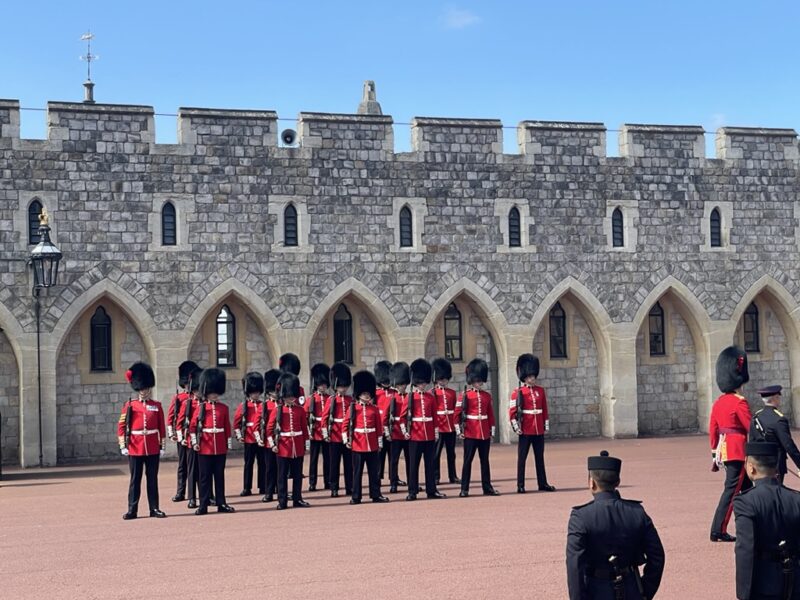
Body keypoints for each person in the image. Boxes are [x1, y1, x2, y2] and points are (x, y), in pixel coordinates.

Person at [566, 450, 665, 600]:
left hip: (595, 590)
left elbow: (574, 566)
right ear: (617, 482)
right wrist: (645, 590)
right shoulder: (637, 512)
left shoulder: (581, 517)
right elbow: (657, 556)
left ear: (591, 483)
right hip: (632, 587)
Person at [734, 441, 800, 600]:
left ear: (751, 467)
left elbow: (745, 549)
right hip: (795, 580)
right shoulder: (796, 498)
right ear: (776, 467)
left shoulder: (746, 501)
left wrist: (743, 592)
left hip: (763, 583)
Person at [709, 346, 753, 542]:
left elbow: (713, 430)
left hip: (725, 449)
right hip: (737, 450)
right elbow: (750, 426)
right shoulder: (739, 402)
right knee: (733, 491)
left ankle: (752, 525)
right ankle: (718, 529)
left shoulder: (719, 402)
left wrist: (714, 452)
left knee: (748, 490)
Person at [118, 362, 167, 520]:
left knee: (152, 479)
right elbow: (122, 426)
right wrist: (123, 445)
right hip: (135, 446)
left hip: (152, 446)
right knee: (135, 480)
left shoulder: (156, 406)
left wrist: (162, 445)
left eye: (146, 389)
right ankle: (132, 509)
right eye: (141, 389)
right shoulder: (130, 406)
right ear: (137, 389)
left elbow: (161, 427)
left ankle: (154, 508)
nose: (144, 392)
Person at [189, 368, 235, 515]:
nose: (214, 394)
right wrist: (195, 442)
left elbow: (227, 427)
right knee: (204, 478)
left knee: (219, 476)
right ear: (206, 391)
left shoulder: (224, 408)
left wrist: (228, 443)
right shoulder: (201, 408)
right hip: (205, 447)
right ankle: (203, 505)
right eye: (211, 392)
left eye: (216, 392)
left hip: (220, 446)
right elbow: (192, 427)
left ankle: (221, 503)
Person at [509, 353, 556, 493]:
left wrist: (545, 425)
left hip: (538, 429)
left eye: (533, 376)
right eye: (530, 377)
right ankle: (520, 485)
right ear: (524, 377)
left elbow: (544, 409)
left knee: (540, 458)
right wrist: (516, 427)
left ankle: (543, 483)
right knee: (522, 458)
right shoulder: (518, 392)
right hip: (525, 428)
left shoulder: (540, 391)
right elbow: (512, 412)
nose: (532, 379)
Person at [455, 358, 499, 497]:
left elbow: (491, 415)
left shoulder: (487, 396)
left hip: (484, 432)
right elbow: (456, 415)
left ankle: (487, 487)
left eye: (480, 380)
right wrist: (459, 431)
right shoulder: (464, 396)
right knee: (467, 461)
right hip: (470, 432)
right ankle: (464, 488)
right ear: (472, 380)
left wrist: (492, 431)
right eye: (477, 380)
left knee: (484, 461)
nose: (479, 383)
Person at [343, 370, 389, 505]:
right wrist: (346, 440)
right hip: (358, 444)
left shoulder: (374, 409)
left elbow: (379, 428)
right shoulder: (353, 408)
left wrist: (380, 442)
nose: (367, 396)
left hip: (372, 444)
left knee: (374, 472)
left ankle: (376, 494)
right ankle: (356, 496)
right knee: (357, 473)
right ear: (359, 394)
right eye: (364, 394)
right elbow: (345, 426)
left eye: (368, 393)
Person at [403, 358, 446, 501]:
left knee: (430, 464)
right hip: (415, 435)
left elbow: (434, 416)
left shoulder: (430, 397)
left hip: (428, 435)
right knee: (413, 465)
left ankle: (431, 490)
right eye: (420, 383)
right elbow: (403, 417)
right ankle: (412, 491)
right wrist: (405, 432)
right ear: (415, 382)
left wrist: (435, 431)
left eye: (424, 382)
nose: (423, 385)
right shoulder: (410, 397)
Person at [267, 372, 311, 510]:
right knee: (281, 476)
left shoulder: (300, 411)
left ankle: (297, 498)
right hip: (283, 446)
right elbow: (269, 428)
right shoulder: (278, 410)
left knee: (297, 475)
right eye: (288, 396)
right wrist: (272, 444)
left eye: (293, 395)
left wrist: (306, 444)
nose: (291, 398)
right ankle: (282, 500)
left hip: (297, 445)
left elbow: (305, 429)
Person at [749, 385, 800, 485]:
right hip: (775, 464)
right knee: (775, 493)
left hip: (759, 463)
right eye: (778, 397)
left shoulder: (756, 417)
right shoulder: (779, 419)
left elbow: (752, 443)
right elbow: (789, 445)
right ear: (775, 398)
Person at [166, 360, 199, 503]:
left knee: (198, 465)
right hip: (183, 434)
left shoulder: (198, 398)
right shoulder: (179, 398)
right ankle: (181, 491)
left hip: (196, 435)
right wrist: (173, 433)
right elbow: (171, 416)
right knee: (183, 464)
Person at [176, 365, 208, 509]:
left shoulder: (206, 404)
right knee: (192, 470)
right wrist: (181, 437)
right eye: (196, 390)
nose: (198, 392)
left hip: (206, 441)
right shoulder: (187, 403)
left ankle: (205, 496)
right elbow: (179, 422)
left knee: (204, 471)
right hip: (190, 440)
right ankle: (192, 497)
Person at [322, 362, 353, 497]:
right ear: (336, 386)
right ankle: (334, 487)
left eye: (345, 386)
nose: (343, 389)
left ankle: (349, 487)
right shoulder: (331, 400)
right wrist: (325, 434)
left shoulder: (350, 399)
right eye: (341, 386)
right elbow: (324, 418)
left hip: (348, 436)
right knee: (334, 464)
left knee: (349, 464)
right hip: (335, 435)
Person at [233, 372, 265, 497]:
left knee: (262, 463)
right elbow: (236, 423)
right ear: (248, 392)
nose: (256, 394)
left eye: (257, 392)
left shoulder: (263, 405)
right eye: (253, 392)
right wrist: (239, 436)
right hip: (249, 438)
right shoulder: (243, 406)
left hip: (261, 438)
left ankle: (263, 485)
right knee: (248, 464)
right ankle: (247, 487)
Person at [432, 357, 459, 485]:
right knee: (436, 454)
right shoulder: (433, 393)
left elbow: (454, 409)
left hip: (450, 427)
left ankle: (452, 476)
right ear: (437, 379)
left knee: (451, 453)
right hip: (439, 426)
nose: (444, 381)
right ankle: (436, 476)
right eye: (441, 379)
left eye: (445, 379)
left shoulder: (452, 393)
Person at [256, 368, 281, 502]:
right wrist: (259, 439)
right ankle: (269, 492)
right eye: (273, 391)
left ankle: (280, 490)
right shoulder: (264, 406)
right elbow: (256, 424)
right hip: (268, 440)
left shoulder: (283, 405)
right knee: (269, 467)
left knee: (281, 468)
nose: (275, 394)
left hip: (281, 440)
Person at [305, 363, 331, 491]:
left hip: (326, 431)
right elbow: (305, 416)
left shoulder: (329, 399)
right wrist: (308, 430)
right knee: (313, 460)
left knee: (328, 459)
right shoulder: (311, 399)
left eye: (325, 384)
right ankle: (312, 482)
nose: (323, 386)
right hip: (315, 431)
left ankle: (328, 481)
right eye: (321, 384)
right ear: (316, 384)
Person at [387, 361, 411, 494]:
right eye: (401, 384)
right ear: (396, 384)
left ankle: (411, 481)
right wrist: (387, 433)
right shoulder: (392, 398)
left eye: (404, 384)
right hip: (395, 432)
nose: (403, 387)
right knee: (394, 460)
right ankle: (393, 483)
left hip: (408, 432)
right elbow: (385, 417)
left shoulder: (409, 397)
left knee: (410, 459)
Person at [374, 360, 393, 481]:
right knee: (379, 456)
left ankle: (393, 477)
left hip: (392, 429)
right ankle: (378, 477)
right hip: (379, 429)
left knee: (393, 456)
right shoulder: (375, 394)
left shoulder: (394, 393)